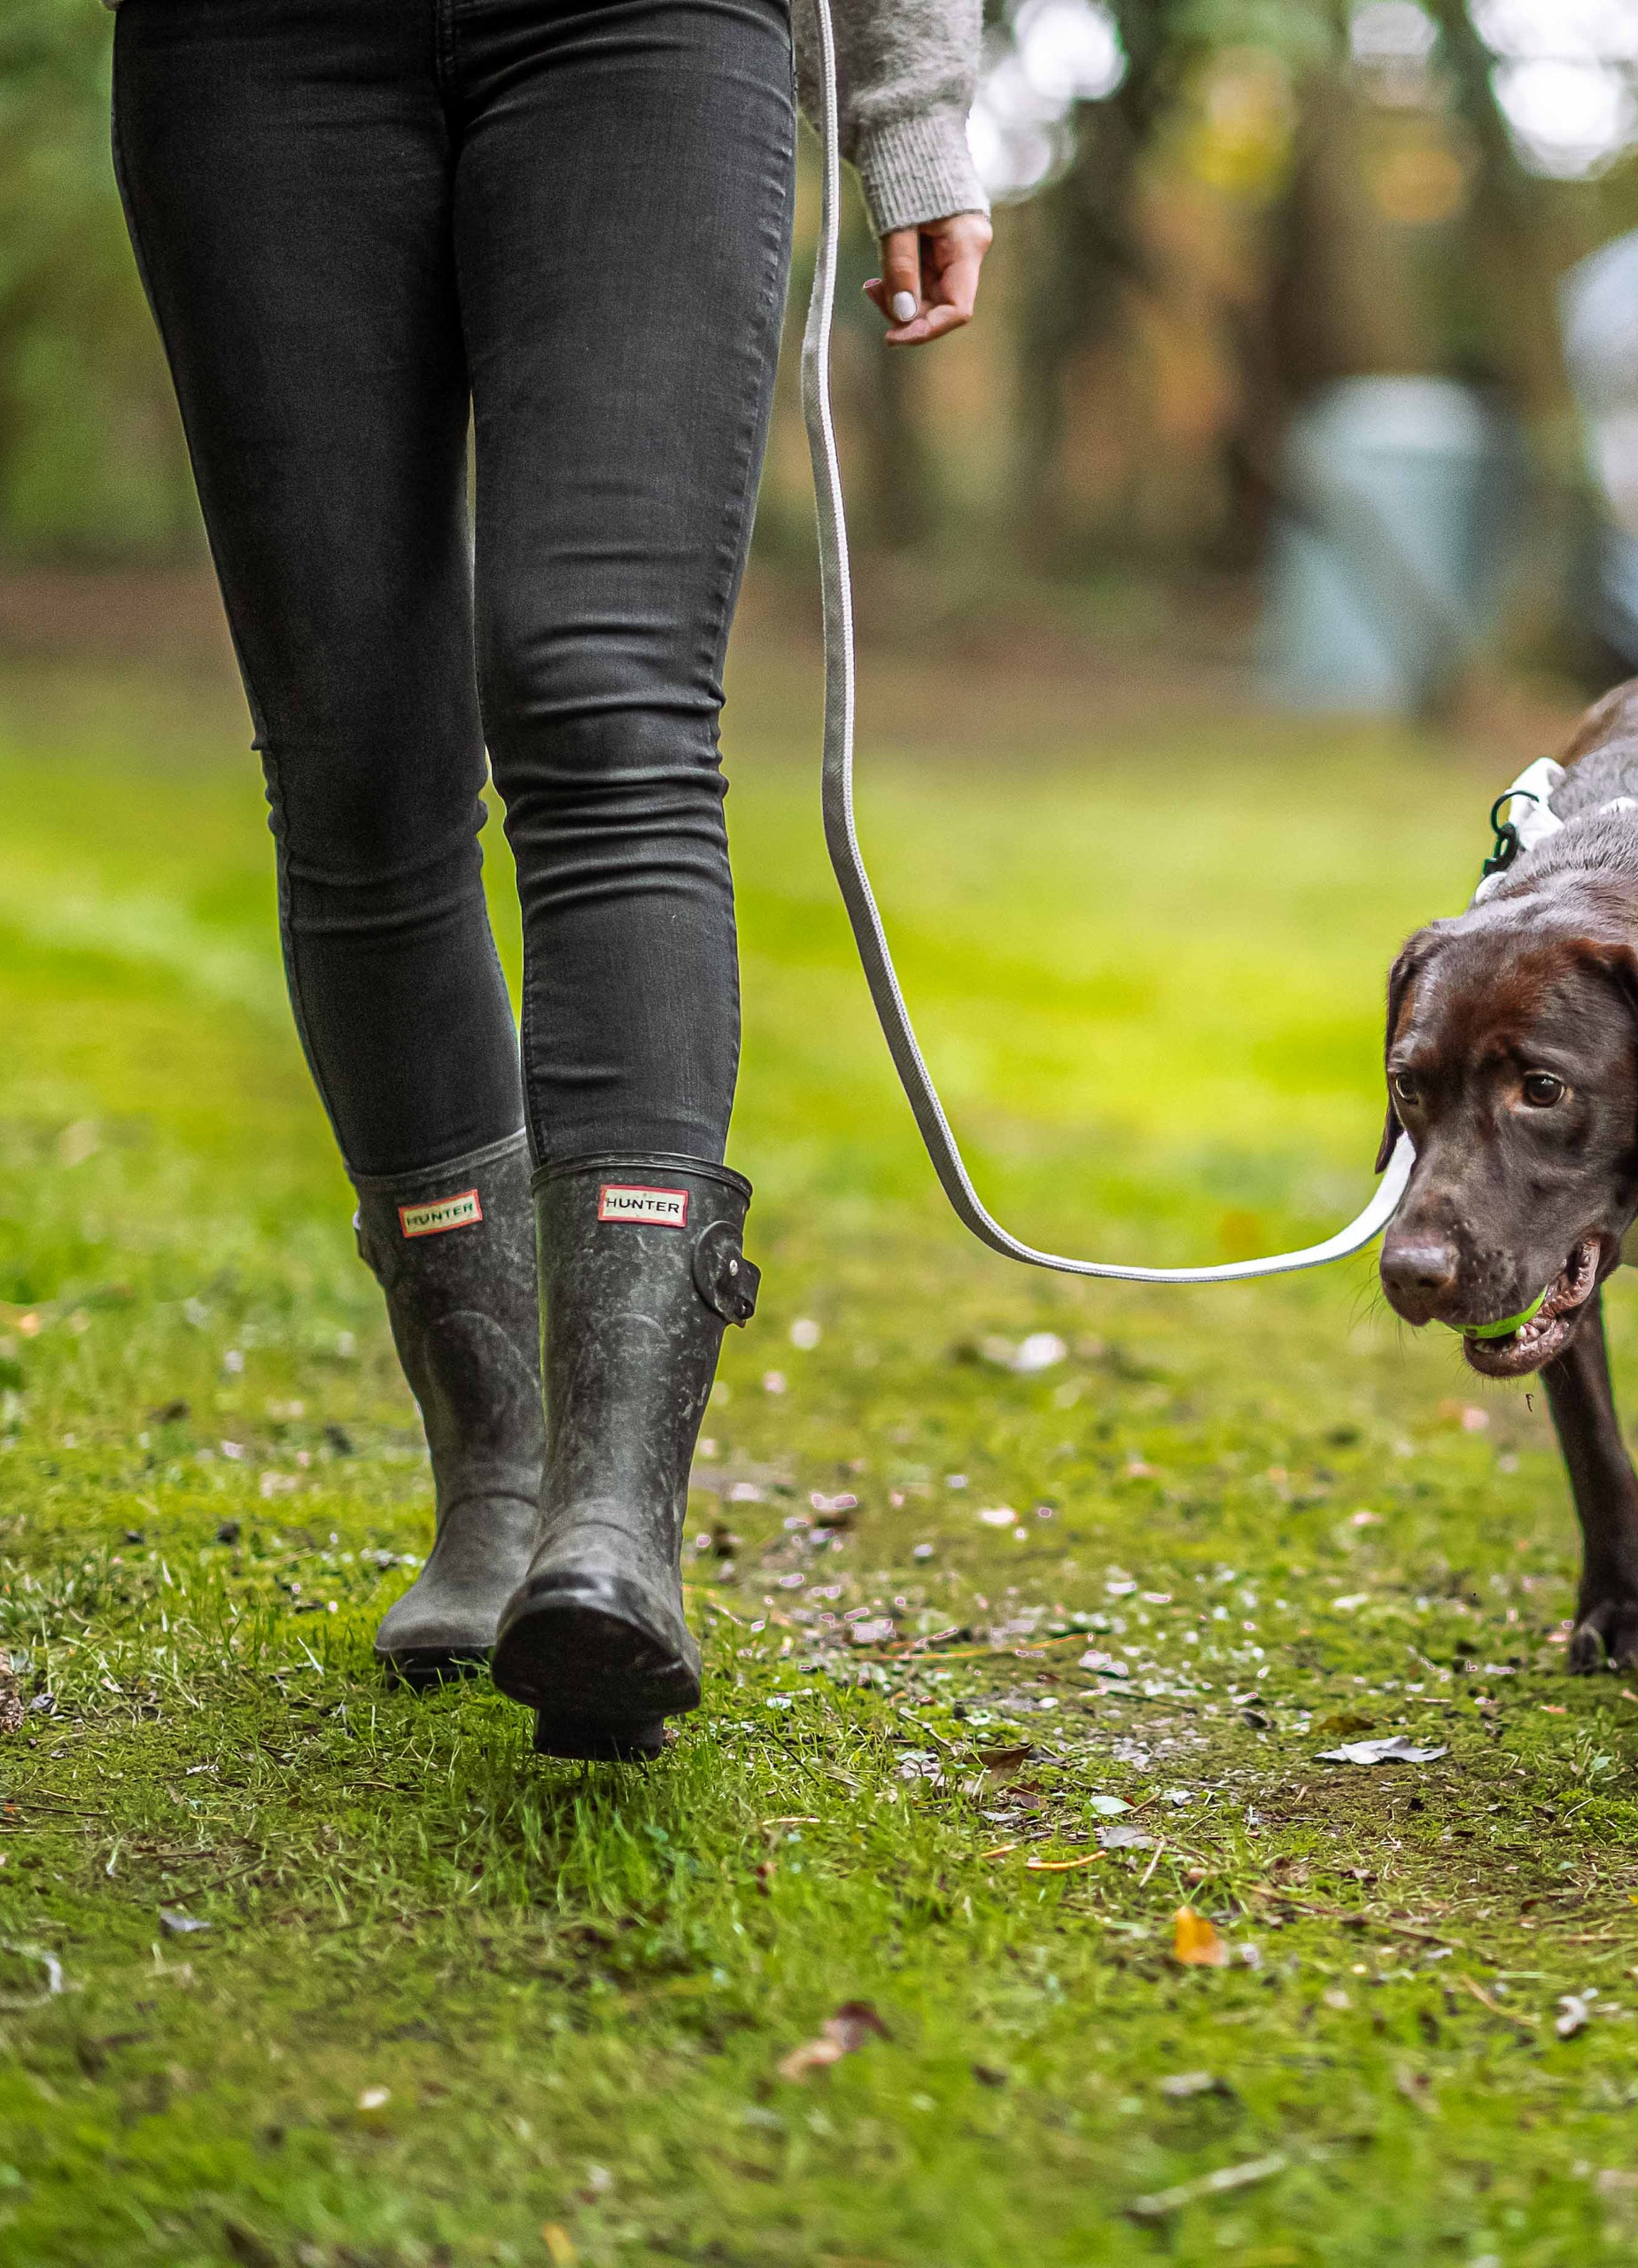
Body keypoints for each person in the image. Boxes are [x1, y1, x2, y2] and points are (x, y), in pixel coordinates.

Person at [109, 0, 991, 1760]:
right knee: (356, 754)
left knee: (603, 697)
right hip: (248, 55)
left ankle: (614, 1517)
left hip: (640, 31)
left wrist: (913, 113)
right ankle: (497, 1475)